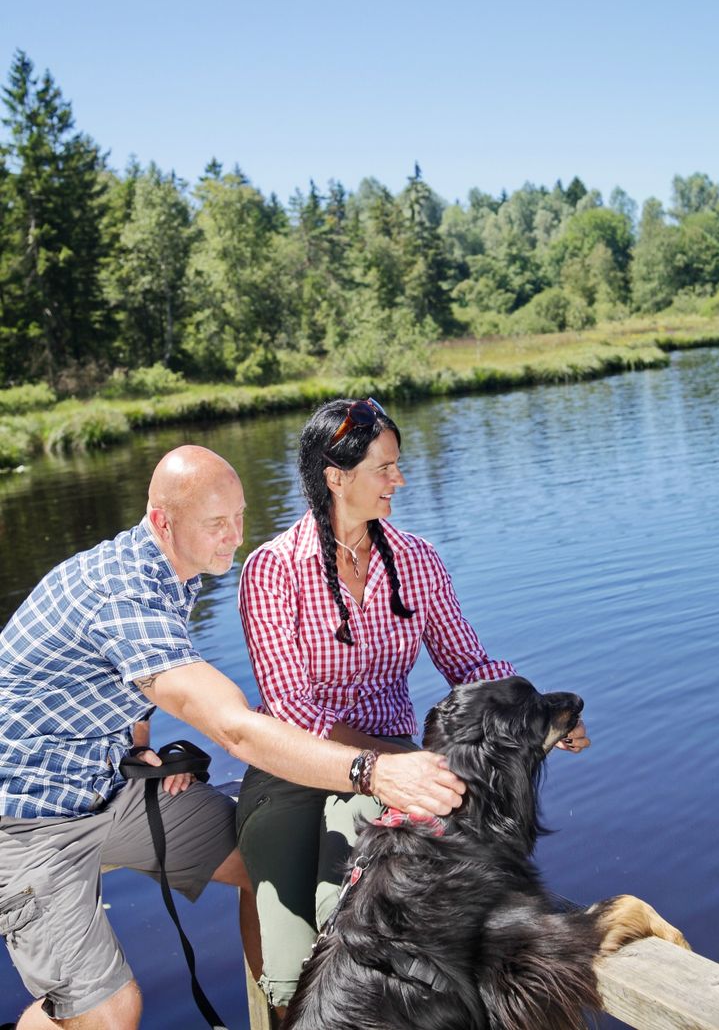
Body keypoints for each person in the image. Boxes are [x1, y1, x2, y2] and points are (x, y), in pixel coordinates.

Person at [0, 444, 464, 1030]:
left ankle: (285, 1018)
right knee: (110, 1013)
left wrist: (138, 746)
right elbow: (234, 729)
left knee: (264, 859)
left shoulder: (172, 570)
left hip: (108, 790)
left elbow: (124, 678)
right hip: (27, 824)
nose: (236, 537)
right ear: (163, 521)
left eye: (241, 517)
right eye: (218, 524)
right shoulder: (122, 592)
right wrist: (375, 770)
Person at [236, 398, 590, 1016]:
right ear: (336, 476)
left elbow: (469, 664)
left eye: (398, 466)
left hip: (397, 768)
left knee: (382, 926)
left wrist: (542, 715)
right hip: (296, 769)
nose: (398, 480)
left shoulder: (416, 560)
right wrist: (389, 761)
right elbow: (292, 708)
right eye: (385, 468)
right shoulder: (272, 569)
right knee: (300, 968)